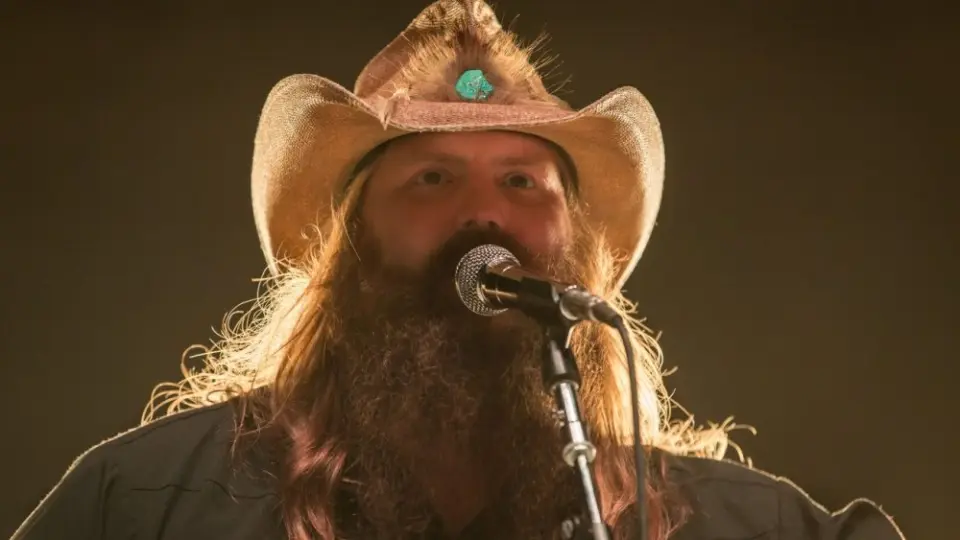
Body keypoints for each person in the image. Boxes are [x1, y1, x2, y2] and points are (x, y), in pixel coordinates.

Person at [12, 1, 906, 539]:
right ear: (346, 249)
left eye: (523, 181)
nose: (485, 212)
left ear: (580, 251)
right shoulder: (151, 502)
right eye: (432, 178)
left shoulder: (738, 524)